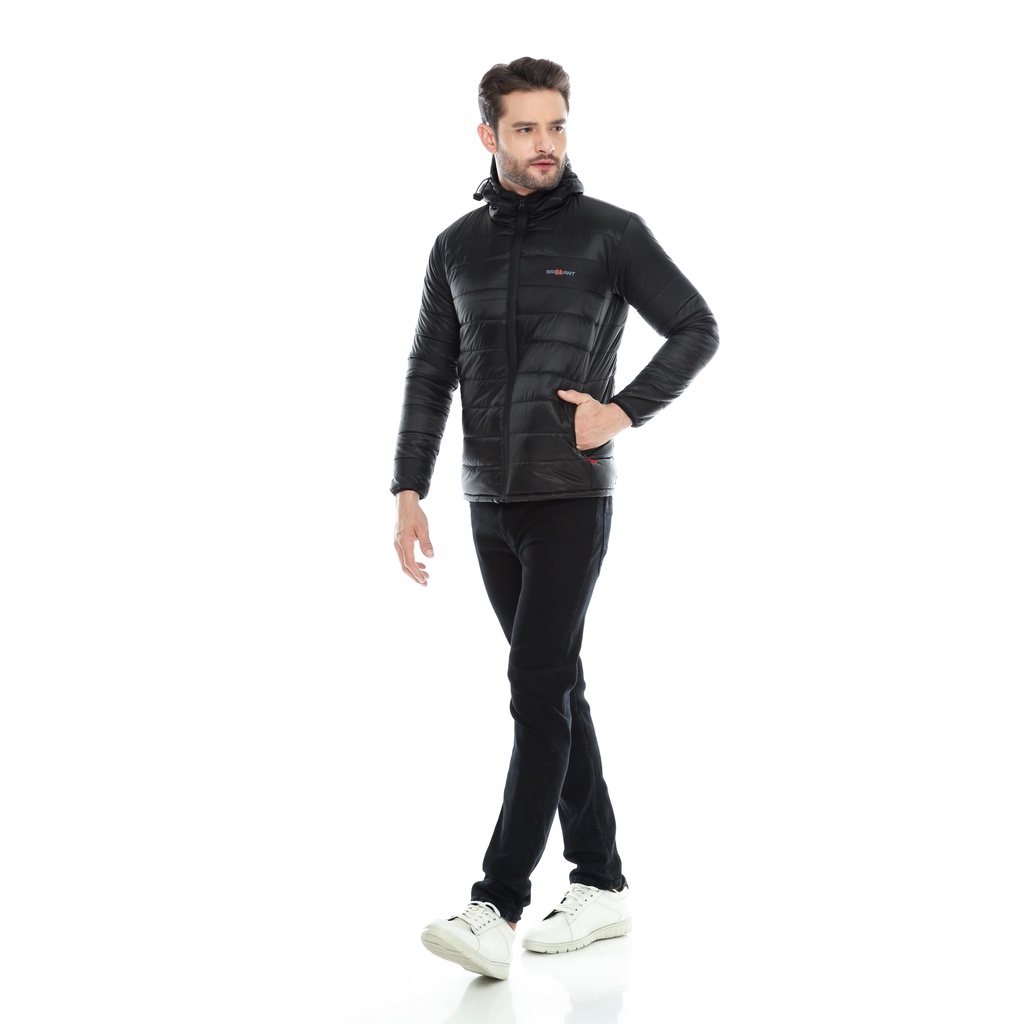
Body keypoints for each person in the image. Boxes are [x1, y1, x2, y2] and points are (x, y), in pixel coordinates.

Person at [391, 56, 719, 981]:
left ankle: (495, 903)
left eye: (558, 126)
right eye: (526, 128)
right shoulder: (456, 247)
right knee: (557, 685)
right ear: (488, 135)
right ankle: (602, 882)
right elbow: (429, 371)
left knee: (534, 687)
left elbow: (696, 326)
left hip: (569, 498)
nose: (546, 144)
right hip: (487, 502)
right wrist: (409, 488)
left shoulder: (611, 233)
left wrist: (622, 411)